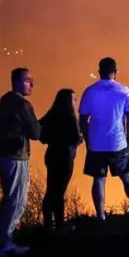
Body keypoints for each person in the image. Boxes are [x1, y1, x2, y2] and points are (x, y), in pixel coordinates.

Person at [80, 57, 129, 222]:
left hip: (96, 144)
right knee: (128, 177)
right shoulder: (123, 91)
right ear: (116, 72)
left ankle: (101, 216)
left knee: (99, 180)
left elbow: (82, 120)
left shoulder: (89, 92)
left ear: (99, 71)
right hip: (118, 143)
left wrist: (88, 141)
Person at [0, 67, 42, 257]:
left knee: (9, 197)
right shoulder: (23, 105)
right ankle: (6, 243)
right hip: (15, 156)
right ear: (18, 82)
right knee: (17, 200)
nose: (32, 84)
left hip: (2, 155)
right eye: (28, 80)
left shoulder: (5, 100)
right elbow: (36, 133)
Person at [40, 88, 83, 233]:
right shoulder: (70, 117)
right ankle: (59, 224)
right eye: (74, 99)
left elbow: (40, 131)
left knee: (51, 189)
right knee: (59, 191)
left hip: (51, 154)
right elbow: (76, 137)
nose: (76, 102)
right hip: (64, 156)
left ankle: (48, 223)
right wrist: (79, 140)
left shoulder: (52, 115)